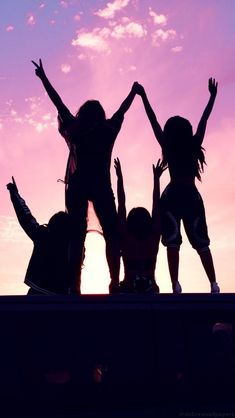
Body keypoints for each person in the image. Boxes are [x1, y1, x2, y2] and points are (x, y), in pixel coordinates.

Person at [32, 59, 138, 294]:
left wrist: (43, 78)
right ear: (100, 115)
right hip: (100, 186)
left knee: (76, 236)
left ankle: (75, 283)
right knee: (111, 234)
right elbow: (122, 109)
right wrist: (133, 92)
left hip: (79, 187)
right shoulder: (107, 131)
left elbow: (58, 103)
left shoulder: (76, 129)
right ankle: (113, 280)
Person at [135, 78, 220, 294]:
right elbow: (204, 119)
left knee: (174, 241)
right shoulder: (193, 144)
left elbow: (153, 120)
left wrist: (144, 97)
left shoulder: (170, 145)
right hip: (190, 195)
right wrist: (212, 97)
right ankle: (212, 283)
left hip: (173, 196)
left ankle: (176, 284)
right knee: (199, 241)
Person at [7, 177, 71, 295]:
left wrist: (15, 195)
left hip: (38, 292)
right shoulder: (73, 245)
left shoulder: (44, 237)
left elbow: (26, 217)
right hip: (61, 296)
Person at [114, 157, 165, 293]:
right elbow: (156, 206)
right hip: (146, 289)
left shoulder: (127, 237)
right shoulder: (152, 237)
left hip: (130, 289)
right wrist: (156, 180)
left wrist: (120, 178)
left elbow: (122, 206)